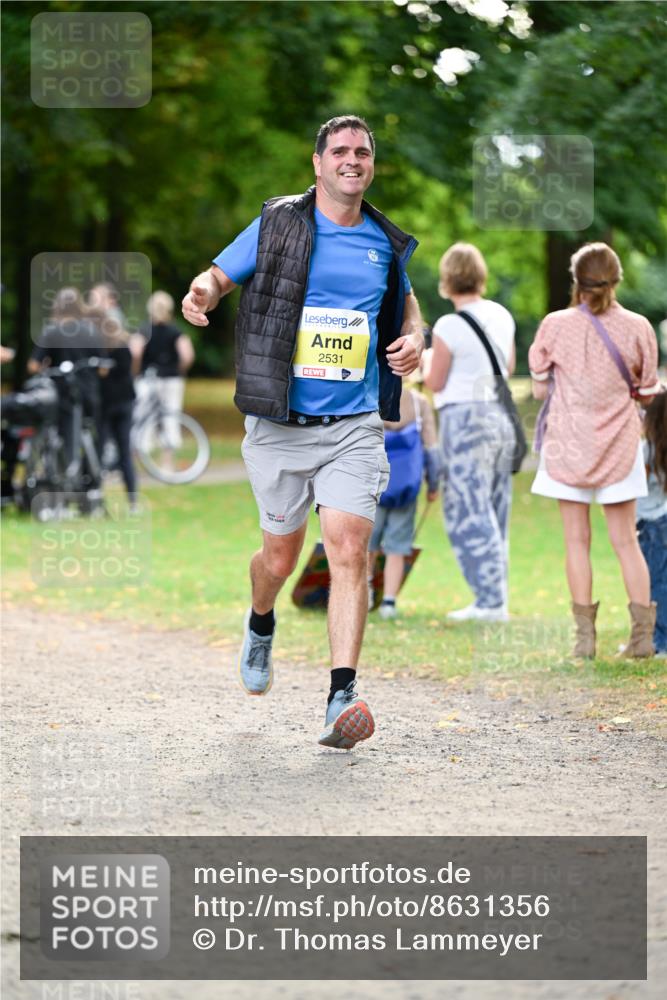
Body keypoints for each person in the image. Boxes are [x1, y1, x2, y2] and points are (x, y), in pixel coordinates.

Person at [181, 115, 423, 749]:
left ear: (372, 165)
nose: (352, 160)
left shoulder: (383, 240)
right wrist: (200, 294)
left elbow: (406, 305)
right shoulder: (280, 222)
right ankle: (261, 620)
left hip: (355, 424)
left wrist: (415, 338)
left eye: (362, 152)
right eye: (339, 151)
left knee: (348, 550)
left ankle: (341, 694)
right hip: (281, 421)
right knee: (281, 559)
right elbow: (219, 273)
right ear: (317, 163)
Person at [529, 242, 660, 658]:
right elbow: (647, 391)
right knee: (626, 541)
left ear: (576, 280)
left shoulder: (555, 325)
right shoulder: (640, 326)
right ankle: (642, 639)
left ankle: (584, 642)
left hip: (568, 447)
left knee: (575, 541)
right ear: (617, 279)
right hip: (620, 446)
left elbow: (536, 386)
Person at [421, 243, 516, 623]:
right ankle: (496, 597)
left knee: (469, 512)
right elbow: (507, 364)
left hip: (464, 419)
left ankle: (490, 602)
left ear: (447, 280)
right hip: (499, 416)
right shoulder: (502, 314)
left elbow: (436, 381)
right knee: (496, 508)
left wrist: (426, 363)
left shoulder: (448, 326)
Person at [368, 383, 441, 619]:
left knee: (367, 543)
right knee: (397, 548)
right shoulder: (419, 404)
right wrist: (433, 484)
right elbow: (431, 447)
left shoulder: (372, 393)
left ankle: (365, 591)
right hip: (405, 488)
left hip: (373, 484)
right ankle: (389, 602)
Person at [136, 291, 195, 470]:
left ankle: (139, 464)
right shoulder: (176, 331)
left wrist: (136, 371)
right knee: (171, 417)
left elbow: (135, 352)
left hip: (147, 379)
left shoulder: (144, 330)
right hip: (171, 380)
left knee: (142, 419)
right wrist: (179, 370)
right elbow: (187, 355)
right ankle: (166, 464)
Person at [636, 392, 667, 657]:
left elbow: (636, 485)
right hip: (663, 520)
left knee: (655, 583)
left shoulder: (647, 450)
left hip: (650, 526)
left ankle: (660, 641)